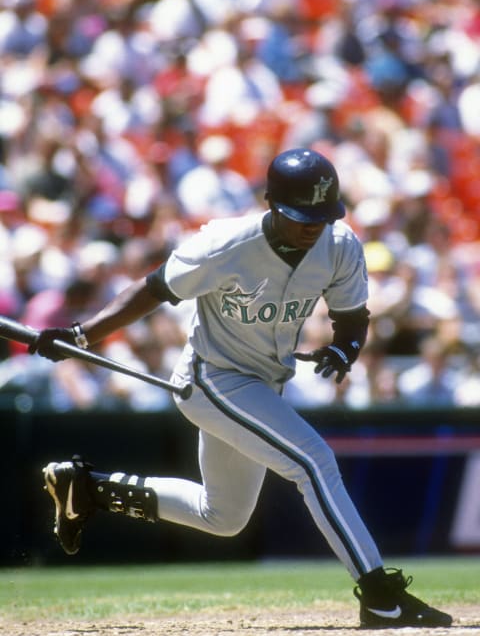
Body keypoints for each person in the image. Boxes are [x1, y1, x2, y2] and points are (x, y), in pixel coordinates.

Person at [31, 148, 452, 629]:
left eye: (322, 214)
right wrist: (83, 334)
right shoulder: (223, 244)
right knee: (314, 462)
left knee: (224, 516)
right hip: (214, 378)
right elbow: (153, 289)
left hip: (264, 384)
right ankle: (380, 595)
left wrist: (344, 348)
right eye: (301, 215)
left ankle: (88, 489)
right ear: (272, 203)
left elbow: (353, 316)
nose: (312, 225)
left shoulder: (339, 244)